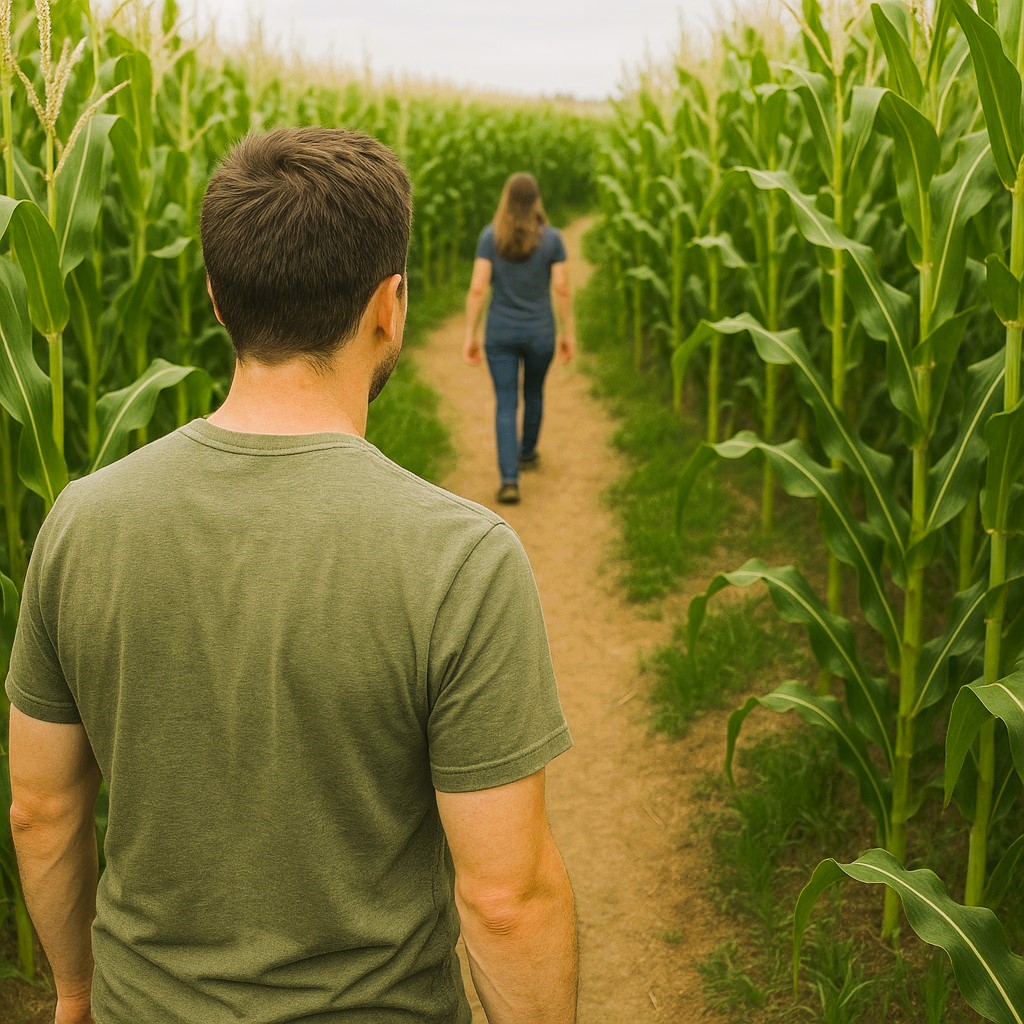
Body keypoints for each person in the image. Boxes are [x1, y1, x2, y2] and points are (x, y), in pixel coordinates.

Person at [6, 127, 578, 1024]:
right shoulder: (461, 560)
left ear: (217, 298)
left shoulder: (81, 522)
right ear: (389, 306)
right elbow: (506, 902)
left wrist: (77, 992)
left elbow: (41, 810)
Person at [463, 172, 576, 505]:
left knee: (506, 403)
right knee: (534, 391)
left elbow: (478, 288)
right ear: (536, 201)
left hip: (500, 333)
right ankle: (527, 452)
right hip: (541, 333)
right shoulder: (552, 240)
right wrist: (568, 332)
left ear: (506, 200)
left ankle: (509, 480)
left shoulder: (490, 238)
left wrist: (470, 334)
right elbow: (562, 287)